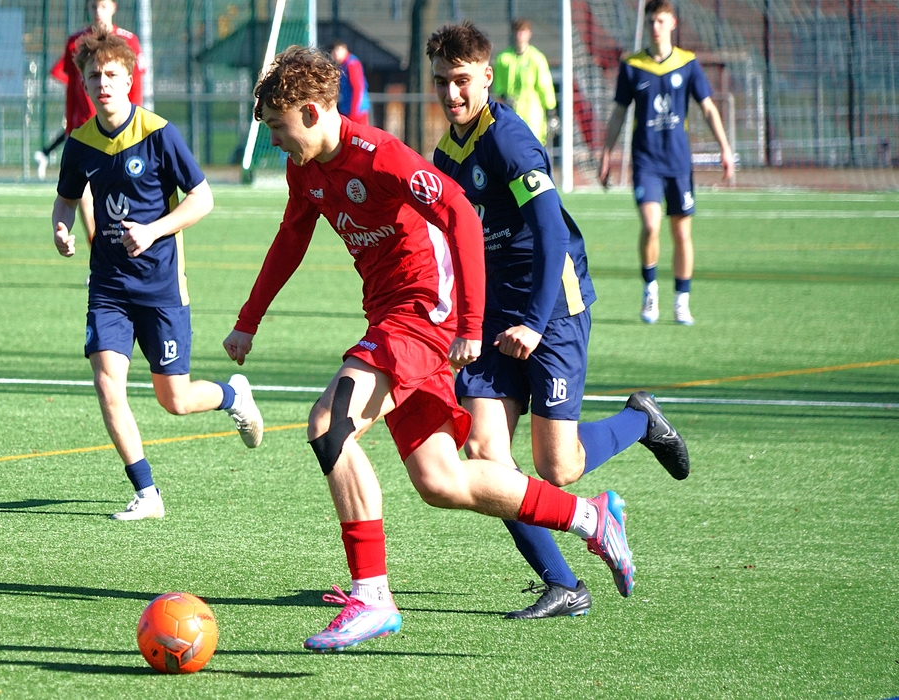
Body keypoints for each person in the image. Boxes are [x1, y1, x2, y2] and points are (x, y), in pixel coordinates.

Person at [223, 46, 634, 653]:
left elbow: (461, 213)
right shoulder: (304, 170)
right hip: (391, 315)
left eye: (279, 129)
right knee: (442, 480)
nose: (276, 142)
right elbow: (291, 238)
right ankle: (591, 518)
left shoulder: (380, 155)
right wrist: (248, 321)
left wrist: (470, 323)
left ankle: (372, 597)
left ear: (311, 112)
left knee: (329, 423)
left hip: (423, 314)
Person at [428, 22, 690, 619]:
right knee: (485, 455)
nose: (451, 93)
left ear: (486, 77)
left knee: (559, 466)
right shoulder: (447, 152)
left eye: (461, 80)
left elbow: (550, 231)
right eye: (441, 81)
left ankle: (640, 421)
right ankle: (564, 584)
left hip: (551, 304)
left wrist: (534, 322)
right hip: (495, 310)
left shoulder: (510, 141)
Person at [51, 32, 263, 521]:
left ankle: (233, 395)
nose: (102, 83)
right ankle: (147, 492)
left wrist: (153, 230)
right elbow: (66, 199)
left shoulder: (159, 133)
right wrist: (61, 228)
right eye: (94, 76)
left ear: (129, 80)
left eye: (111, 75)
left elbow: (203, 199)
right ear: (84, 84)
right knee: (107, 383)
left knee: (175, 399)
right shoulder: (80, 143)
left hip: (161, 286)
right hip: (108, 288)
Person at [598, 0, 734, 326]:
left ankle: (681, 301)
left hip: (678, 163)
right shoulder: (632, 65)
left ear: (673, 23)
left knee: (682, 234)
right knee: (650, 226)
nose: (655, 27)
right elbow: (619, 113)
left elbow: (708, 108)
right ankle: (650, 290)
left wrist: (725, 148)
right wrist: (606, 154)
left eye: (660, 21)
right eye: (650, 21)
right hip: (646, 162)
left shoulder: (687, 63)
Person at [37, 0, 146, 247]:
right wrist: (70, 128)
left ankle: (123, 244)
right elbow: (71, 89)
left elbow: (136, 84)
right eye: (93, 6)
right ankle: (97, 247)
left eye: (103, 6)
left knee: (123, 189)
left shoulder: (128, 40)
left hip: (119, 130)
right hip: (85, 130)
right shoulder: (76, 42)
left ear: (114, 7)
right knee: (82, 194)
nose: (98, 12)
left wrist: (135, 120)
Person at [491, 18, 558, 146]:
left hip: (532, 114)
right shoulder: (503, 58)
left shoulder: (537, 58)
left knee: (532, 146)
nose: (520, 35)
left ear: (529, 34)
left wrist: (551, 110)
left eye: (523, 31)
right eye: (517, 31)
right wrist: (504, 97)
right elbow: (498, 85)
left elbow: (545, 86)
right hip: (510, 112)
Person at [329, 40, 371, 125]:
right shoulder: (344, 65)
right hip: (348, 109)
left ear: (344, 49)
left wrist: (354, 112)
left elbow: (357, 88)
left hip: (356, 112)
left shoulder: (351, 64)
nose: (335, 55)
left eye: (337, 50)